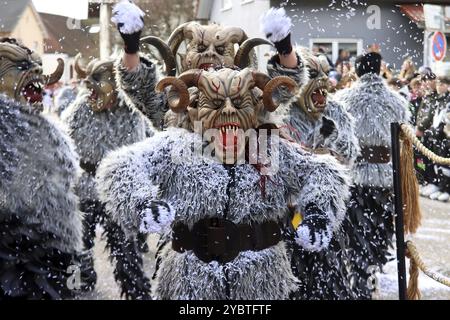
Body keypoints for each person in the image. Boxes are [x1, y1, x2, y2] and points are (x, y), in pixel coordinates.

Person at [96, 66, 351, 300]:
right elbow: (121, 164)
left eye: (240, 103)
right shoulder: (177, 147)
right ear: (196, 108)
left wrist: (318, 213)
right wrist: (141, 202)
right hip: (190, 280)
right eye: (215, 103)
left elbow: (323, 171)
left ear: (255, 110)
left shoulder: (270, 149)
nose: (228, 111)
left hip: (259, 279)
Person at [260, 7, 359, 299]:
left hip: (323, 208)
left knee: (327, 278)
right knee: (290, 278)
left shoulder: (337, 112)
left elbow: (349, 156)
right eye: (312, 90)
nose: (319, 98)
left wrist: (330, 145)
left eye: (323, 91)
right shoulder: (281, 113)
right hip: (286, 212)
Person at [61, 53, 154, 299]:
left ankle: (136, 290)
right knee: (78, 243)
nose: (88, 86)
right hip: (85, 188)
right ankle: (81, 279)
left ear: (116, 84)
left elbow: (146, 147)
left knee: (127, 250)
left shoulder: (134, 113)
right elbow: (64, 147)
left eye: (97, 79)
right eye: (88, 80)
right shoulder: (80, 110)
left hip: (117, 193)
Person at [0, 38, 82, 299]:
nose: (35, 71)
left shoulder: (48, 131)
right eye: (21, 65)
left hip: (52, 254)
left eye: (36, 65)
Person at [334, 51, 410, 299]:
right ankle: (368, 273)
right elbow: (404, 138)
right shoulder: (397, 102)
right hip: (386, 178)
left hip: (354, 175)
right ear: (379, 70)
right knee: (379, 231)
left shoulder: (343, 99)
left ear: (356, 71)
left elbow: (336, 138)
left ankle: (358, 276)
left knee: (355, 233)